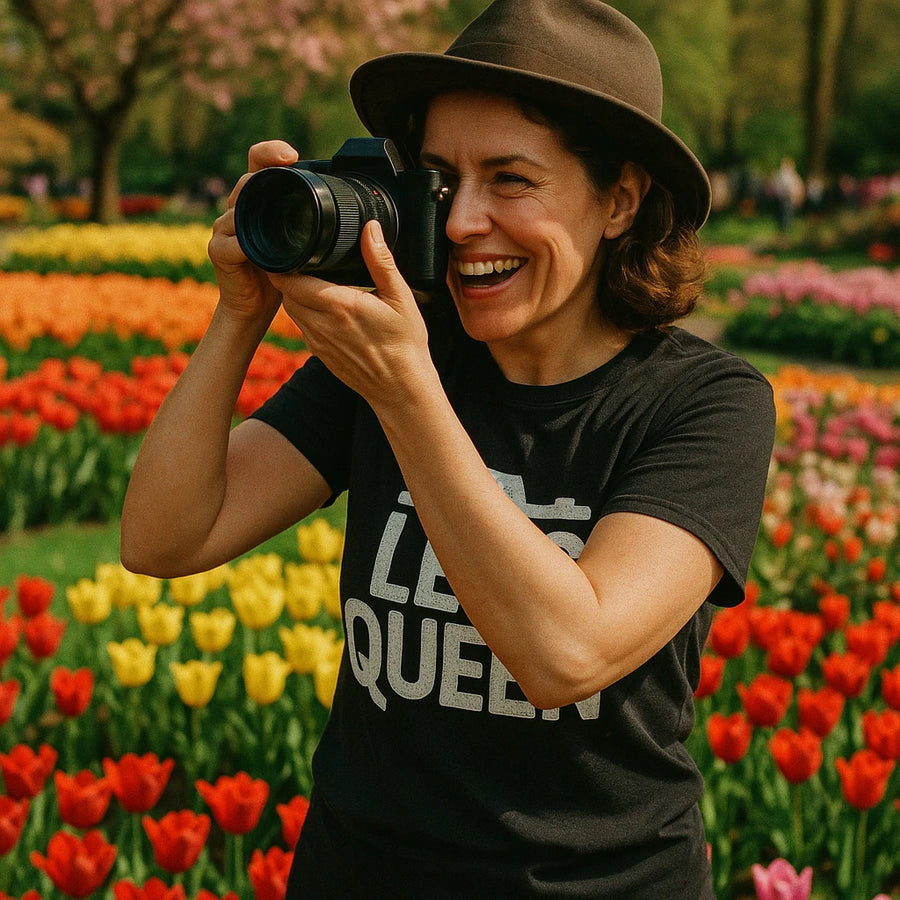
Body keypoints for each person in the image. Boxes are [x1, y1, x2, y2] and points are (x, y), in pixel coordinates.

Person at [120, 0, 776, 896]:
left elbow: (566, 654)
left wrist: (408, 393)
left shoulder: (702, 404)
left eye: (510, 180)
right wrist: (242, 312)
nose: (465, 221)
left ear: (619, 199)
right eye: (439, 178)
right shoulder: (403, 359)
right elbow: (164, 538)